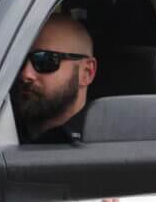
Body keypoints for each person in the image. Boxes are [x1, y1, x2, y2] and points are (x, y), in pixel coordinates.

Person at [12, 15, 98, 144]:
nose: (26, 74)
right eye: (21, 61)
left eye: (44, 60)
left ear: (87, 72)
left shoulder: (105, 143)